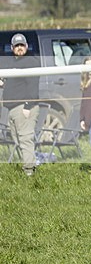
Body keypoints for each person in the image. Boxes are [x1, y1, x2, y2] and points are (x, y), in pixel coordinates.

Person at [0, 33, 40, 176]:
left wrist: (28, 106)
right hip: (12, 108)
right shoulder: (13, 63)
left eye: (22, 45)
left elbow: (33, 86)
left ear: (26, 46)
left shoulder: (31, 62)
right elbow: (13, 83)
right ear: (12, 48)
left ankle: (29, 172)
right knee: (19, 140)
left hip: (23, 108)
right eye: (17, 46)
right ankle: (31, 165)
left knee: (25, 140)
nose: (19, 48)